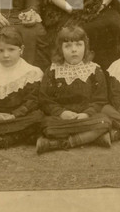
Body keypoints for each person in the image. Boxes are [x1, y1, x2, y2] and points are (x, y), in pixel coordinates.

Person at [35, 25, 113, 154]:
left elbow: (100, 99)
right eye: (68, 46)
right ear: (60, 49)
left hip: (87, 117)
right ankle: (92, 137)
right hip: (62, 119)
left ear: (85, 47)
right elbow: (45, 100)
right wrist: (61, 113)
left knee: (105, 121)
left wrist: (87, 113)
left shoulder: (94, 70)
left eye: (78, 45)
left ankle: (62, 143)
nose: (74, 50)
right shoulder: (52, 71)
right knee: (47, 125)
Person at [0, 26, 45, 154]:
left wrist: (14, 115)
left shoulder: (31, 72)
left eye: (11, 50)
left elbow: (32, 101)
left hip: (21, 116)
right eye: (0, 51)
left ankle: (0, 140)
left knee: (38, 118)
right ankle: (22, 136)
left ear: (21, 50)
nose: (6, 55)